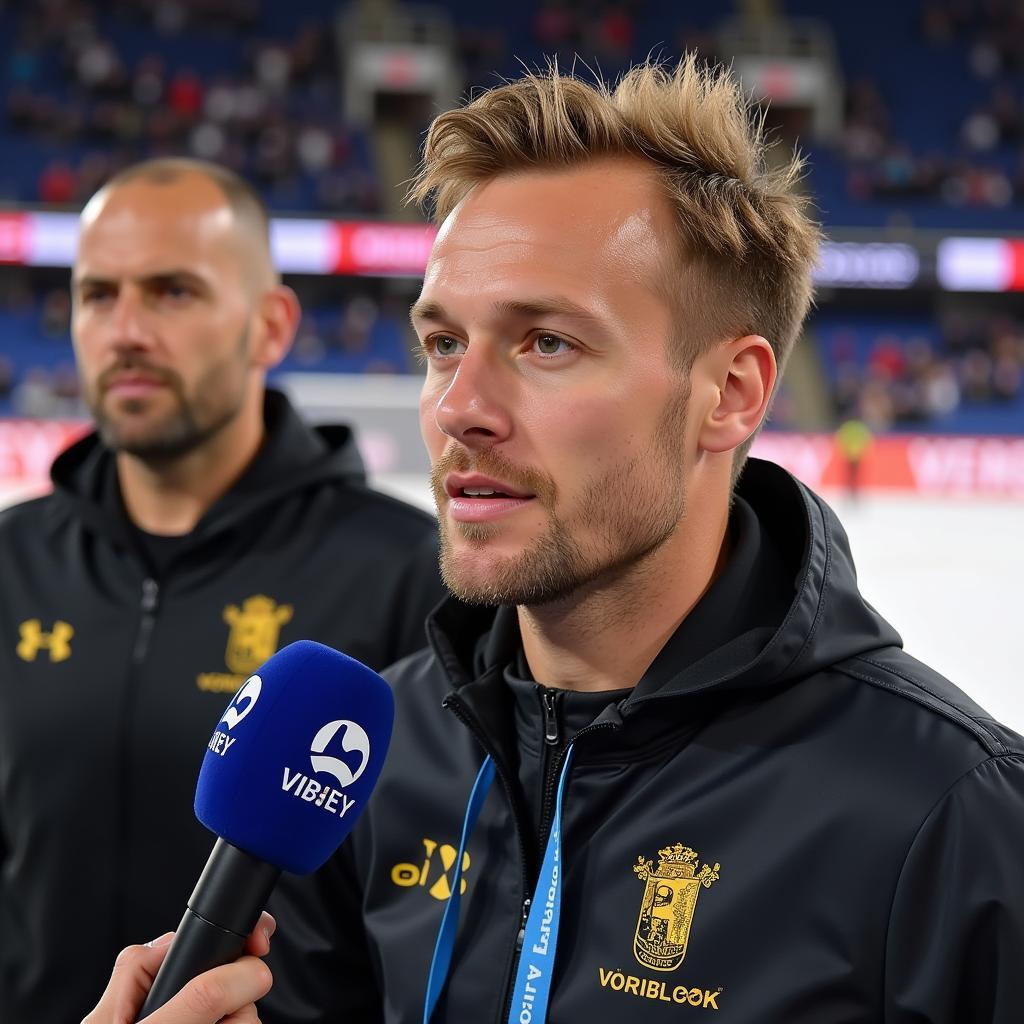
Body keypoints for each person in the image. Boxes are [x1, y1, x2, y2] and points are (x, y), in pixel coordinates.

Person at [93, 59, 1024, 1024]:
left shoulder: (954, 817)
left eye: (547, 343)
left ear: (732, 394)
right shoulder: (369, 759)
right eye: (443, 343)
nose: (460, 408)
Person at [0, 158, 443, 1024]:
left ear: (271, 325)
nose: (125, 330)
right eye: (97, 295)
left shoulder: (406, 573)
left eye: (172, 293)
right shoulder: (12, 560)